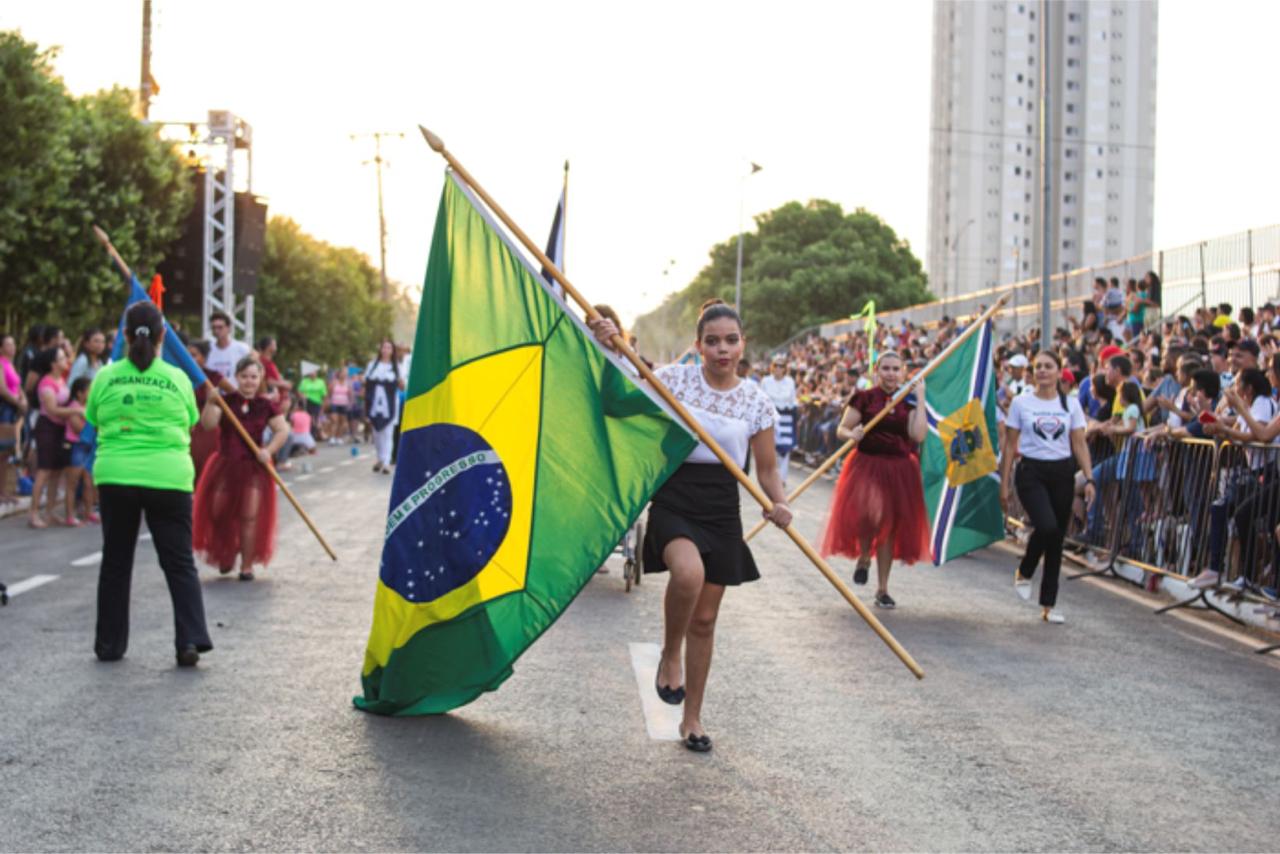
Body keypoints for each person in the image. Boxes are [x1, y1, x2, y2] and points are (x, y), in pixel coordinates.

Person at [589, 301, 790, 753]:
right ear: (698, 346)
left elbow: (767, 469)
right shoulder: (676, 380)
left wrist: (780, 504)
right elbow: (621, 395)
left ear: (743, 345)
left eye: (731, 340)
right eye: (713, 341)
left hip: (722, 507)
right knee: (688, 574)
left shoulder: (756, 401)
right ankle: (669, 653)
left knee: (706, 618)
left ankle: (692, 719)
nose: (723, 349)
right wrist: (610, 348)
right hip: (677, 496)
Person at [86, 301, 212, 666]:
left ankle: (109, 645)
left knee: (116, 560)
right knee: (178, 562)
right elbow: (191, 421)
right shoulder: (177, 379)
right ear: (162, 337)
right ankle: (190, 640)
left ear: (124, 336)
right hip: (169, 476)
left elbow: (93, 418)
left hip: (116, 476)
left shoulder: (106, 377)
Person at [819, 351, 929, 609]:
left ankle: (882, 589)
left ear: (903, 372)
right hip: (868, 465)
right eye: (886, 368)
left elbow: (919, 435)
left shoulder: (908, 401)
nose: (890, 373)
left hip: (900, 469)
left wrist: (921, 397)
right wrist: (852, 434)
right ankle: (864, 555)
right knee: (870, 516)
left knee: (889, 528)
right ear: (877, 371)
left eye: (895, 369)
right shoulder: (864, 397)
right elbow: (841, 429)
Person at [1000, 350, 1096, 624]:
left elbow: (1079, 443)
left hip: (1062, 472)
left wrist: (1089, 479)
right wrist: (1004, 485)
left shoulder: (1071, 404)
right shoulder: (1021, 403)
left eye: (1048, 366)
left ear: (1058, 371)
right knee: (1047, 526)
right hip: (1031, 471)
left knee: (1056, 540)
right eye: (1038, 366)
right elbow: (1009, 446)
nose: (1042, 370)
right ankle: (1026, 569)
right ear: (1032, 372)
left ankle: (1049, 604)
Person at [193, 356, 288, 580]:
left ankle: (246, 566)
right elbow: (208, 424)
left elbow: (282, 430)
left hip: (254, 467)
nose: (249, 381)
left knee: (249, 516)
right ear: (236, 378)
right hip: (225, 465)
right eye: (244, 377)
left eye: (254, 377)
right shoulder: (226, 401)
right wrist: (210, 402)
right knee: (217, 511)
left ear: (260, 378)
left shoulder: (266, 405)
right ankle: (227, 553)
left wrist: (269, 450)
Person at [30, 346, 77, 528]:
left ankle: (49, 511)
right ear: (53, 363)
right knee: (44, 470)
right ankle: (34, 512)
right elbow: (52, 409)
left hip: (60, 429)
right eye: (62, 358)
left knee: (57, 471)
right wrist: (76, 411)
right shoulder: (46, 383)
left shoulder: (62, 381)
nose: (66, 360)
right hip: (47, 428)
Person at [364, 339, 404, 474]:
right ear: (380, 349)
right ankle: (380, 458)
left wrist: (400, 381)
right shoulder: (372, 365)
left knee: (388, 433)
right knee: (377, 433)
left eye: (389, 348)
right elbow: (366, 383)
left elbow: (402, 386)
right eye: (384, 347)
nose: (386, 350)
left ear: (392, 351)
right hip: (375, 403)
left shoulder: (397, 366)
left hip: (390, 404)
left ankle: (386, 463)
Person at [63, 376, 98, 525]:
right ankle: (70, 515)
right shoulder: (74, 407)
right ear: (79, 393)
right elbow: (80, 429)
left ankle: (89, 511)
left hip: (89, 447)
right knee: (73, 482)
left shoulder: (89, 408)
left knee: (89, 482)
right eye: (89, 390)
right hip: (77, 447)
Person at [759, 354, 798, 485]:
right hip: (770, 416)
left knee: (784, 447)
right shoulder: (766, 381)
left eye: (781, 365)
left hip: (785, 416)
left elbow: (791, 399)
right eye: (776, 365)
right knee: (770, 447)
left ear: (785, 368)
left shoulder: (790, 382)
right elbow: (763, 399)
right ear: (772, 367)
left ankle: (782, 477)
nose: (778, 368)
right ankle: (770, 475)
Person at [0, 332, 27, 506]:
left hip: (13, 410)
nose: (13, 347)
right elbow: (2, 389)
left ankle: (5, 490)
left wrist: (23, 399)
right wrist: (18, 402)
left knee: (8, 453)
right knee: (2, 451)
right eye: (8, 344)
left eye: (14, 343)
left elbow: (17, 386)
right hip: (5, 410)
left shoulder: (11, 364)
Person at [205, 311, 251, 378]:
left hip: (235, 388)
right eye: (213, 328)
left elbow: (257, 364)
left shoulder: (241, 348)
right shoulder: (207, 348)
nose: (216, 331)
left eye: (220, 327)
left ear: (228, 328)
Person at [297, 366, 327, 441]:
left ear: (316, 373)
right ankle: (308, 435)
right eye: (311, 372)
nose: (313, 374)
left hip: (317, 402)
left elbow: (324, 395)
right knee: (308, 419)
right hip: (306, 402)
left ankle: (313, 435)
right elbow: (299, 391)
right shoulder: (304, 381)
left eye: (314, 372)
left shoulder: (320, 382)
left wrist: (323, 404)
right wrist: (302, 396)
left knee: (315, 420)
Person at [327, 367, 354, 444]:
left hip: (344, 404)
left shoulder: (348, 383)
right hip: (334, 403)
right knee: (334, 421)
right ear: (339, 374)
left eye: (345, 373)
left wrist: (350, 403)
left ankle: (338, 437)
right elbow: (329, 393)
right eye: (342, 373)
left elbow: (350, 394)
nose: (344, 374)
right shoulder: (334, 382)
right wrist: (328, 401)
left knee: (342, 422)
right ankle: (332, 437)